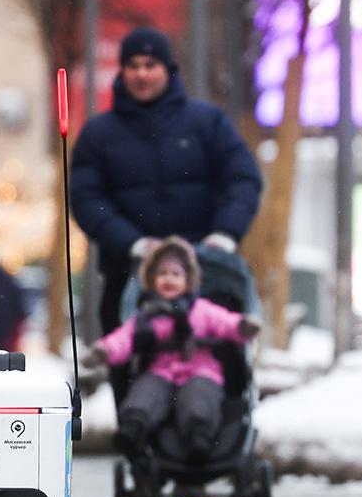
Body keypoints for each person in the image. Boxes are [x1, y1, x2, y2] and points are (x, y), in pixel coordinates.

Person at [70, 26, 263, 342]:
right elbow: (86, 197)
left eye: (150, 65)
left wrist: (225, 234)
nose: (141, 74)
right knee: (132, 377)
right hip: (126, 275)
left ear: (167, 69)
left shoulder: (207, 123)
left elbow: (242, 178)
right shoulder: (98, 134)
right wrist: (133, 243)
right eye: (133, 65)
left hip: (206, 275)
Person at [80, 237, 260, 497]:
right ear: (151, 280)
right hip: (161, 373)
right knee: (145, 392)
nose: (168, 280)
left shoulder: (201, 310)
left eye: (175, 274)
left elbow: (226, 322)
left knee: (198, 398)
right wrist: (104, 351)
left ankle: (198, 435)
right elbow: (122, 339)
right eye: (162, 274)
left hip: (200, 370)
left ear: (189, 280)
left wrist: (242, 327)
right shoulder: (145, 316)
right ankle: (134, 425)